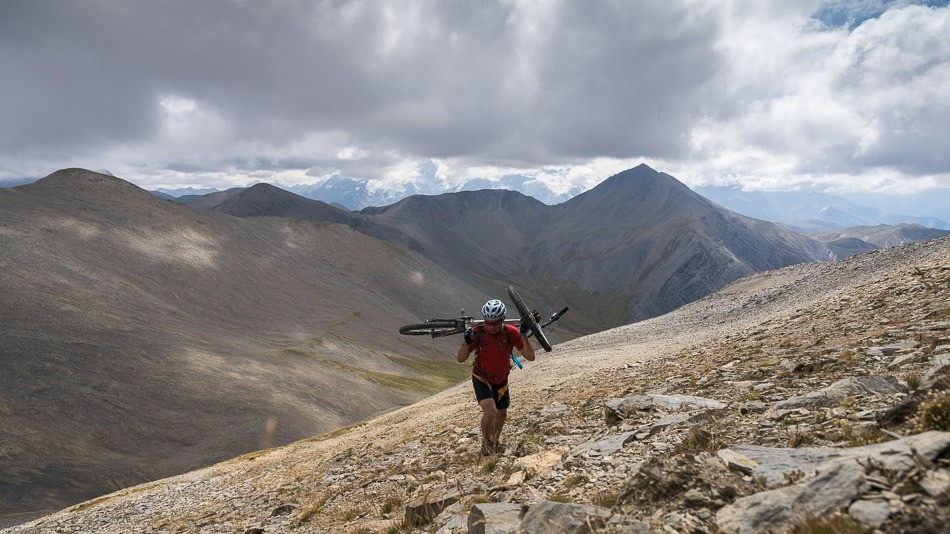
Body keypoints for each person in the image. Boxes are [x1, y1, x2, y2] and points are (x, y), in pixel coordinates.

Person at [457, 298, 535, 455]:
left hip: (501, 379)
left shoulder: (510, 332)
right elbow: (460, 359)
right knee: (490, 411)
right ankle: (486, 443)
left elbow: (530, 356)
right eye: (488, 323)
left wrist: (524, 336)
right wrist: (467, 343)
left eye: (495, 323)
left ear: (503, 320)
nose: (491, 327)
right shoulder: (477, 333)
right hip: (481, 378)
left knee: (502, 413)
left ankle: (494, 440)